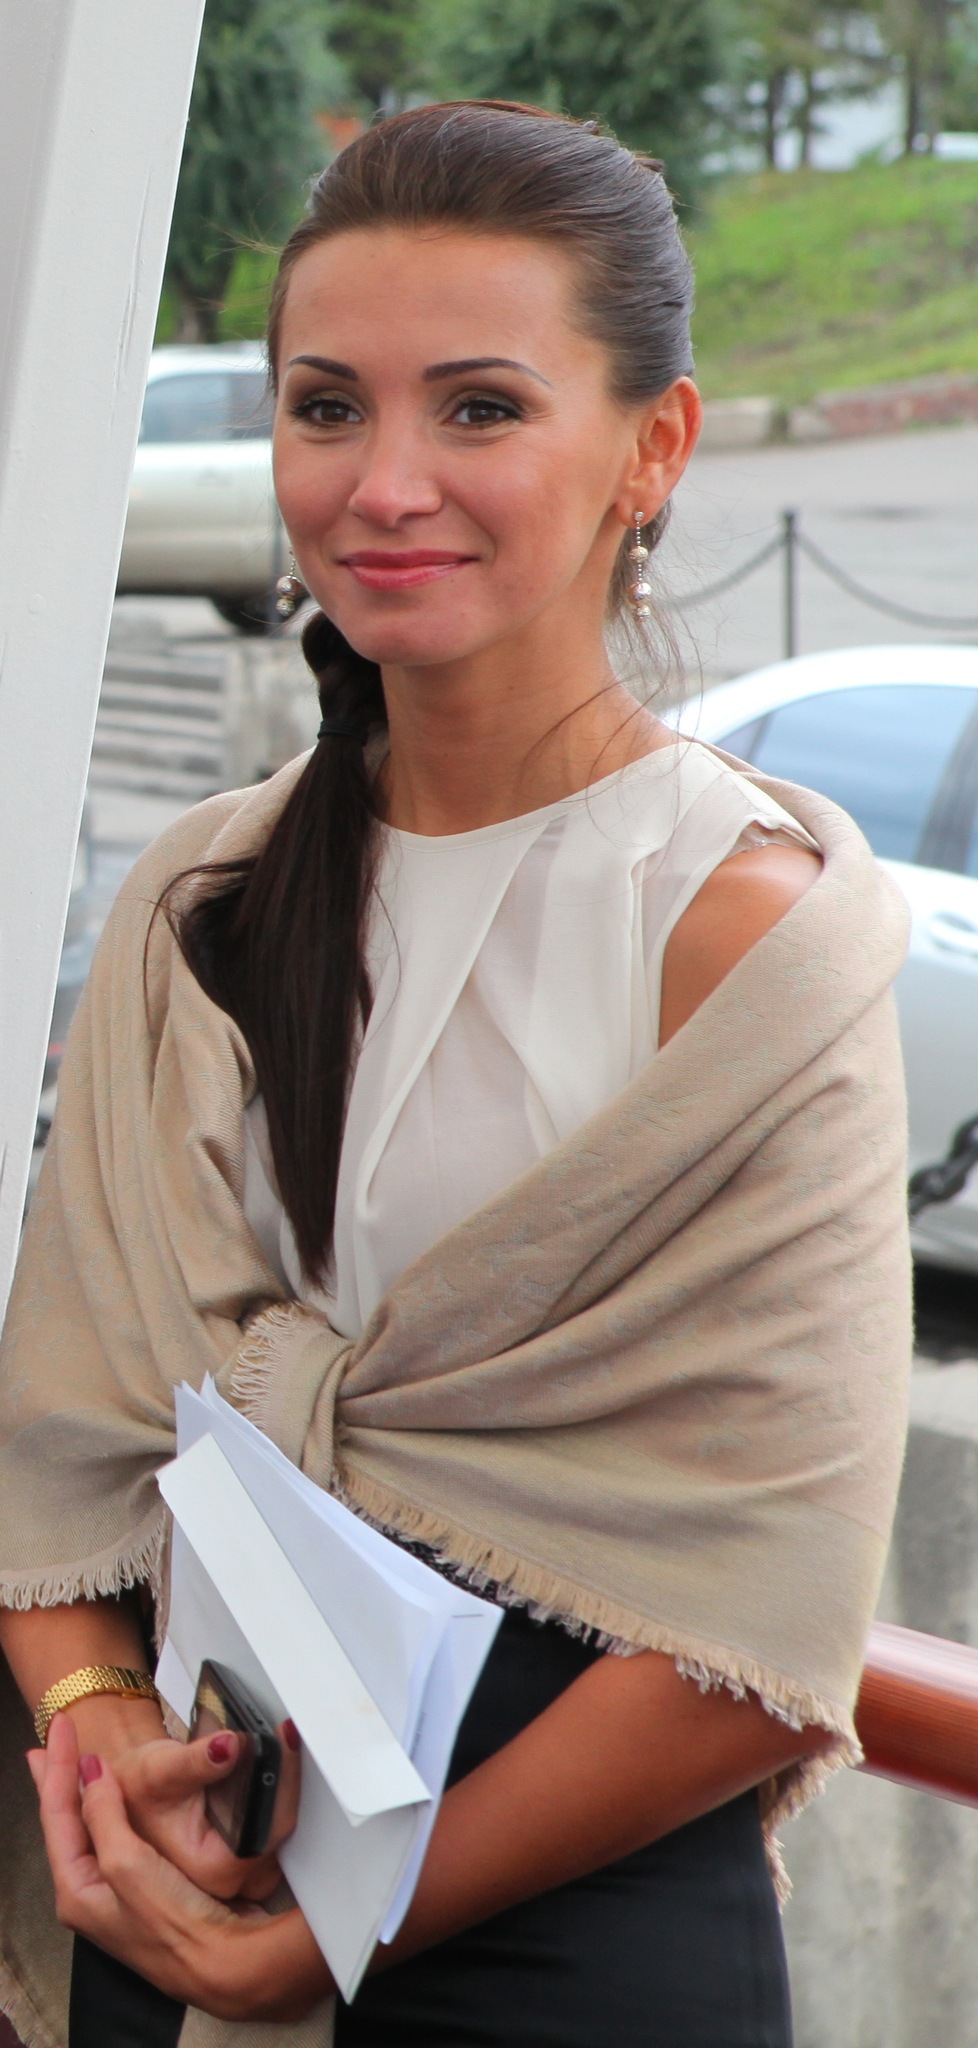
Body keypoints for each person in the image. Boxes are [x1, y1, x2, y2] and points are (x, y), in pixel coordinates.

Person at [0, 101, 912, 2048]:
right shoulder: (201, 898)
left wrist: (347, 1928)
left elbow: (765, 1614)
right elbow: (60, 1441)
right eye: (326, 408)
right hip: (184, 1872)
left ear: (653, 448)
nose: (384, 482)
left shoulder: (748, 934)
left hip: (560, 1931)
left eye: (480, 407)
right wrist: (95, 1719)